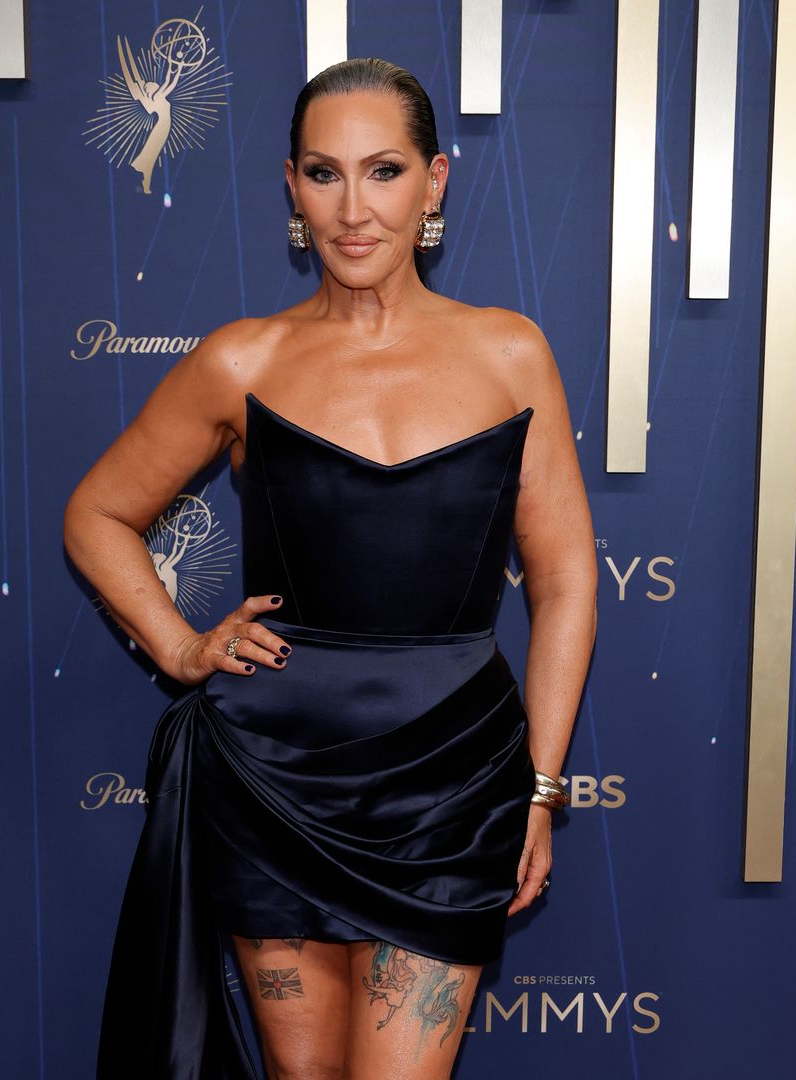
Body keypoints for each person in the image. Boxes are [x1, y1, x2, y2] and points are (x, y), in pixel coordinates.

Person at [64, 56, 597, 1080]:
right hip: (274, 774)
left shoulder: (510, 355)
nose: (354, 210)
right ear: (292, 185)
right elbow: (98, 512)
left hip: (452, 785)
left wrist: (537, 788)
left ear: (435, 181)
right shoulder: (241, 361)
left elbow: (567, 579)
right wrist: (180, 647)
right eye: (324, 173)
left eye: (384, 171)